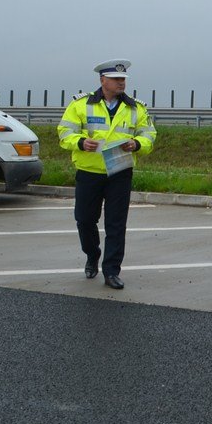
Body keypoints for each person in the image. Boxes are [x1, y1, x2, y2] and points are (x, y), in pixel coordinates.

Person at [57, 60, 156, 290]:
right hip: (89, 172)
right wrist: (81, 142)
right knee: (84, 220)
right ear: (103, 81)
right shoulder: (81, 105)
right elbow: (64, 133)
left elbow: (149, 134)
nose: (121, 83)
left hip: (120, 172)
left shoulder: (136, 108)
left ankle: (111, 271)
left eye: (123, 79)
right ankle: (92, 254)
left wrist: (137, 143)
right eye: (116, 79)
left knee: (116, 224)